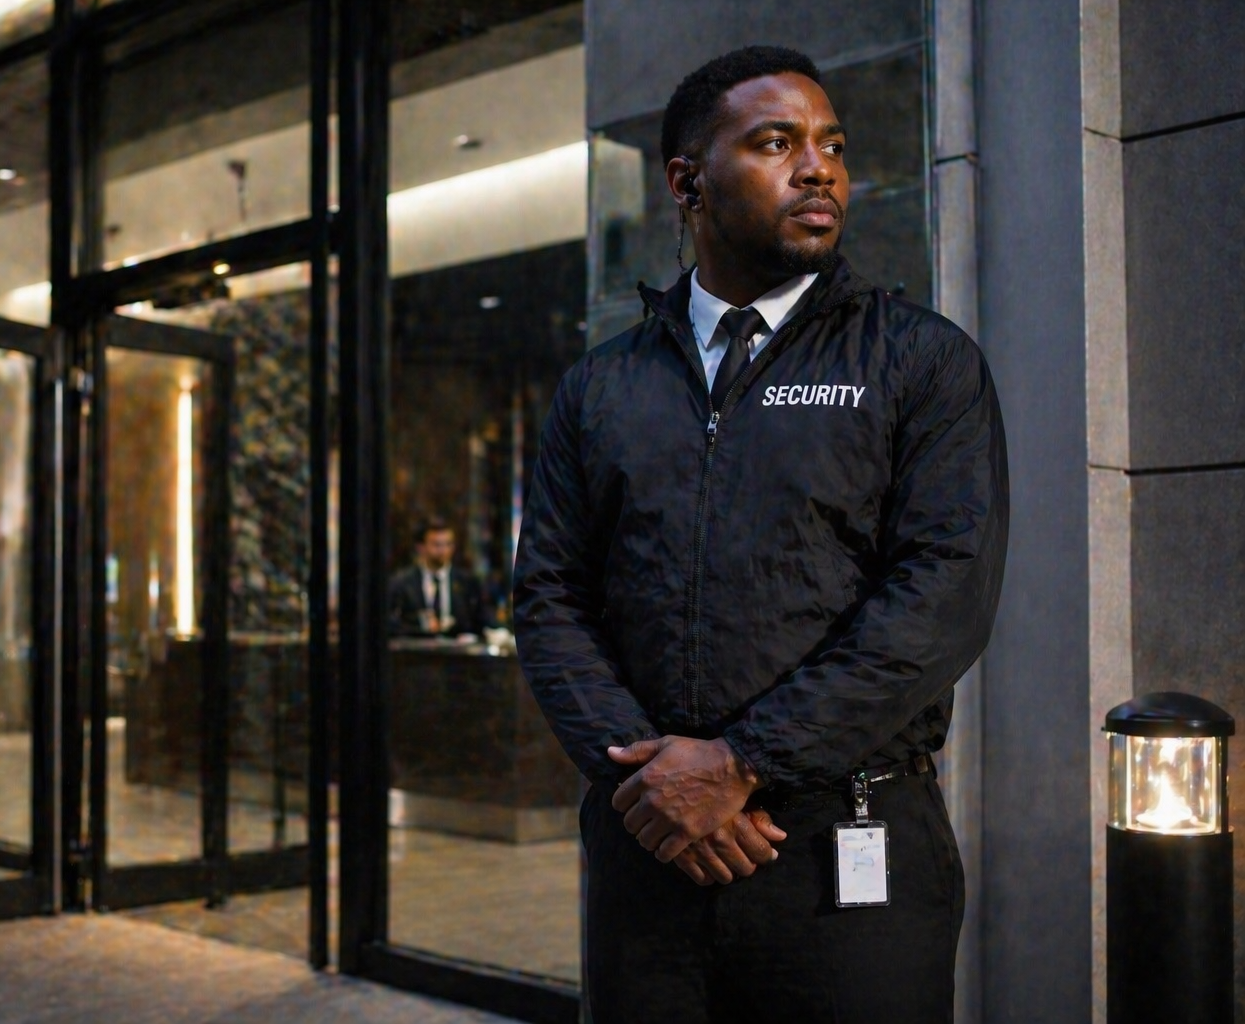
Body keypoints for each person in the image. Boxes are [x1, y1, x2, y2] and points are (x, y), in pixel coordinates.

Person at [514, 46, 1008, 1023]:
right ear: (687, 182)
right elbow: (549, 596)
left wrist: (741, 763)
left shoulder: (919, 360)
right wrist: (655, 781)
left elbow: (942, 593)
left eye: (833, 145)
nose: (819, 168)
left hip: (847, 847)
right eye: (778, 143)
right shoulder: (602, 387)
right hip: (650, 847)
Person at [387, 517, 491, 638]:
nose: (443, 550)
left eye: (448, 544)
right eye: (436, 545)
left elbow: (482, 620)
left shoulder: (467, 583)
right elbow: (390, 622)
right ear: (421, 547)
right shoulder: (402, 582)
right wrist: (420, 628)